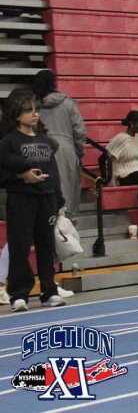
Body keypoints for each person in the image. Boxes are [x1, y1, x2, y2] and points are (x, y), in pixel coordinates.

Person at [0, 90, 66, 310]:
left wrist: (58, 198)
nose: (34, 114)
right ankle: (19, 294)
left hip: (46, 198)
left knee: (46, 247)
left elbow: (53, 171)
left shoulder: (45, 140)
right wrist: (21, 176)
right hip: (21, 199)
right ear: (17, 115)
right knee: (19, 247)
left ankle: (49, 291)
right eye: (29, 111)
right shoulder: (8, 142)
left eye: (36, 110)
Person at [31, 70, 86, 216]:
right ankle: (66, 222)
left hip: (40, 151)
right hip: (67, 150)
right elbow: (79, 131)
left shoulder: (33, 106)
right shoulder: (68, 103)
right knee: (67, 190)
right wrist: (80, 152)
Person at [106, 110, 138, 186]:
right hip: (123, 175)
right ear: (131, 124)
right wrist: (105, 179)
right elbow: (103, 158)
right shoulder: (121, 138)